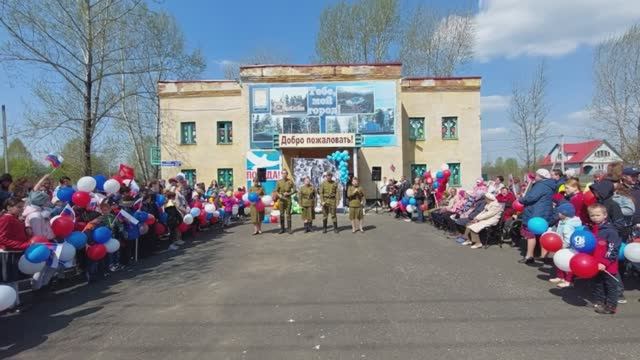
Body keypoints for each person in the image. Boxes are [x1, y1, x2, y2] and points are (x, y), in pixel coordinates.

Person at [588, 204, 622, 314]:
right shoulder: (594, 228)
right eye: (592, 215)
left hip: (608, 265)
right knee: (598, 283)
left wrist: (604, 262)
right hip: (596, 263)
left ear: (605, 215)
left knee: (611, 286)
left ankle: (611, 306)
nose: (595, 217)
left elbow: (613, 248)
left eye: (598, 215)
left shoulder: (610, 231)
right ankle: (600, 301)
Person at [518, 169, 557, 264]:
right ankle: (543, 256)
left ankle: (529, 256)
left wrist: (521, 199)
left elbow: (531, 198)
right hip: (545, 211)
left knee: (530, 233)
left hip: (536, 212)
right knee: (542, 233)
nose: (535, 176)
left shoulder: (541, 185)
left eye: (536, 175)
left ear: (540, 176)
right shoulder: (550, 185)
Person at [550, 203, 582, 288]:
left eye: (559, 212)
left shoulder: (569, 225)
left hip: (568, 247)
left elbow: (568, 237)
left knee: (568, 264)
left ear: (565, 214)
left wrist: (564, 246)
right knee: (559, 261)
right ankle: (560, 277)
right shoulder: (562, 221)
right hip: (561, 243)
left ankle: (568, 281)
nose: (558, 214)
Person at [275, 169, 296, 234]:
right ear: (281, 174)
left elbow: (295, 190)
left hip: (288, 199)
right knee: (281, 214)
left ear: (287, 174)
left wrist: (289, 193)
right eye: (283, 173)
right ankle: (282, 229)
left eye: (285, 173)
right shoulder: (279, 182)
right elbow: (276, 191)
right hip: (281, 200)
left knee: (288, 214)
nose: (284, 174)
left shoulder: (290, 181)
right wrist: (279, 195)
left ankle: (289, 229)